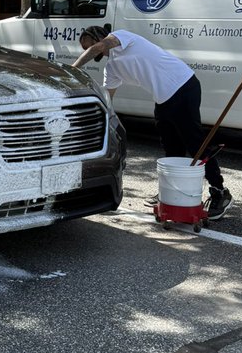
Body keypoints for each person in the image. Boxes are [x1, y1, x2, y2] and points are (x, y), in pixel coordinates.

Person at [73, 26, 233, 219]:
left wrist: (72, 69)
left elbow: (98, 48)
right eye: (85, 48)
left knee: (195, 143)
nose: (89, 50)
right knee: (171, 148)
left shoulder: (123, 37)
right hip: (164, 99)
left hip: (184, 85)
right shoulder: (112, 68)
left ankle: (220, 192)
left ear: (98, 36)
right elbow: (109, 100)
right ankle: (173, 194)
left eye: (88, 44)